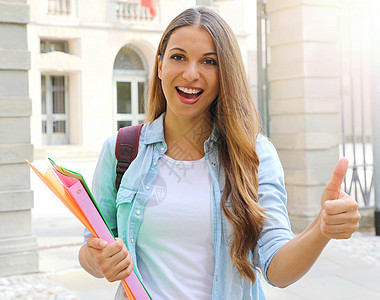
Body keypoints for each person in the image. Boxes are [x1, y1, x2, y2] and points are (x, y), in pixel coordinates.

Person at [78, 7, 361, 300]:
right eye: (178, 57)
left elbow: (277, 269)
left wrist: (321, 228)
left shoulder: (255, 154)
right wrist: (99, 261)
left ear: (225, 72)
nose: (191, 73)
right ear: (160, 66)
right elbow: (91, 247)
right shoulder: (121, 149)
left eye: (209, 61)